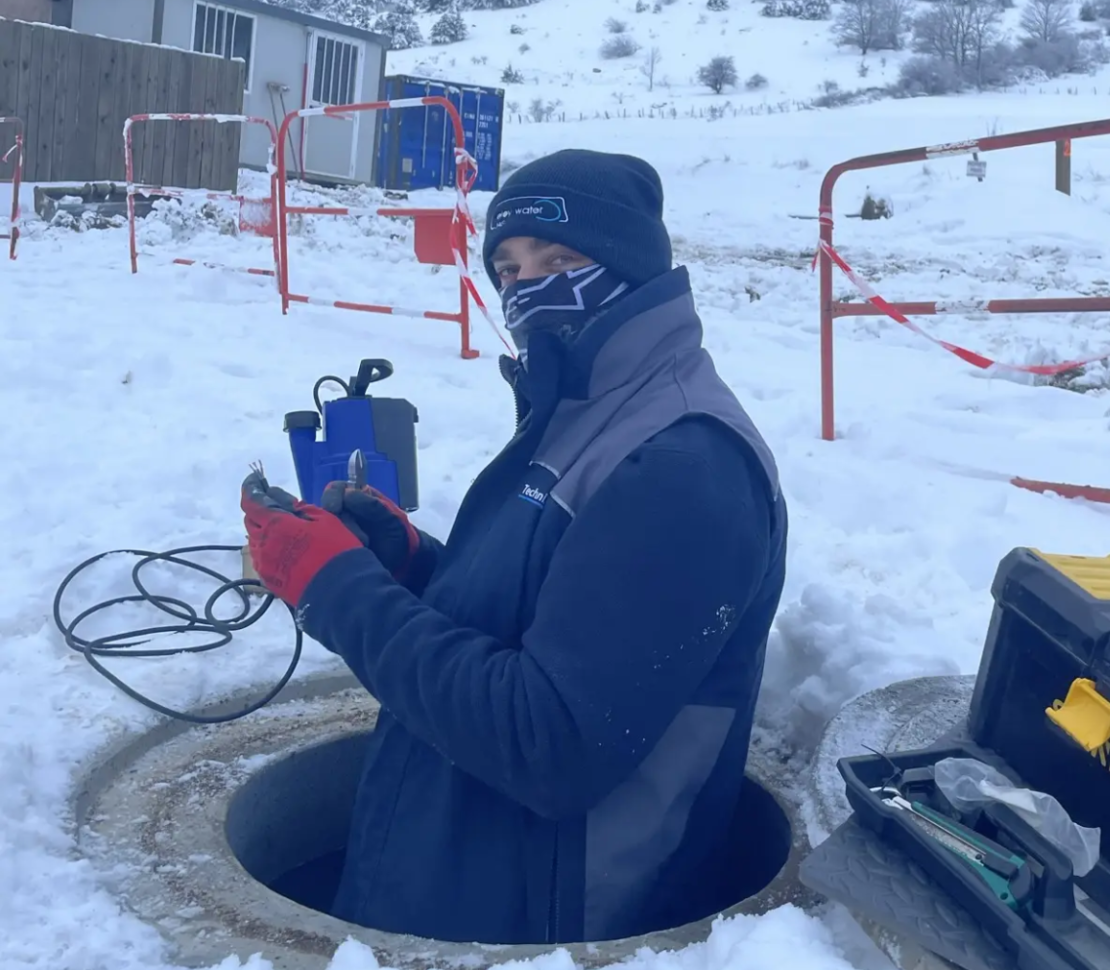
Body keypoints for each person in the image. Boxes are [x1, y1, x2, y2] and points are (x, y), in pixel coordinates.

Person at [240, 148, 788, 946]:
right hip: (468, 868)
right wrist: (408, 567)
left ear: (630, 266)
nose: (529, 288)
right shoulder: (580, 405)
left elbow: (549, 741)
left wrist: (341, 592)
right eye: (508, 266)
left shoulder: (683, 464)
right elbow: (546, 618)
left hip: (552, 923)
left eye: (560, 260)